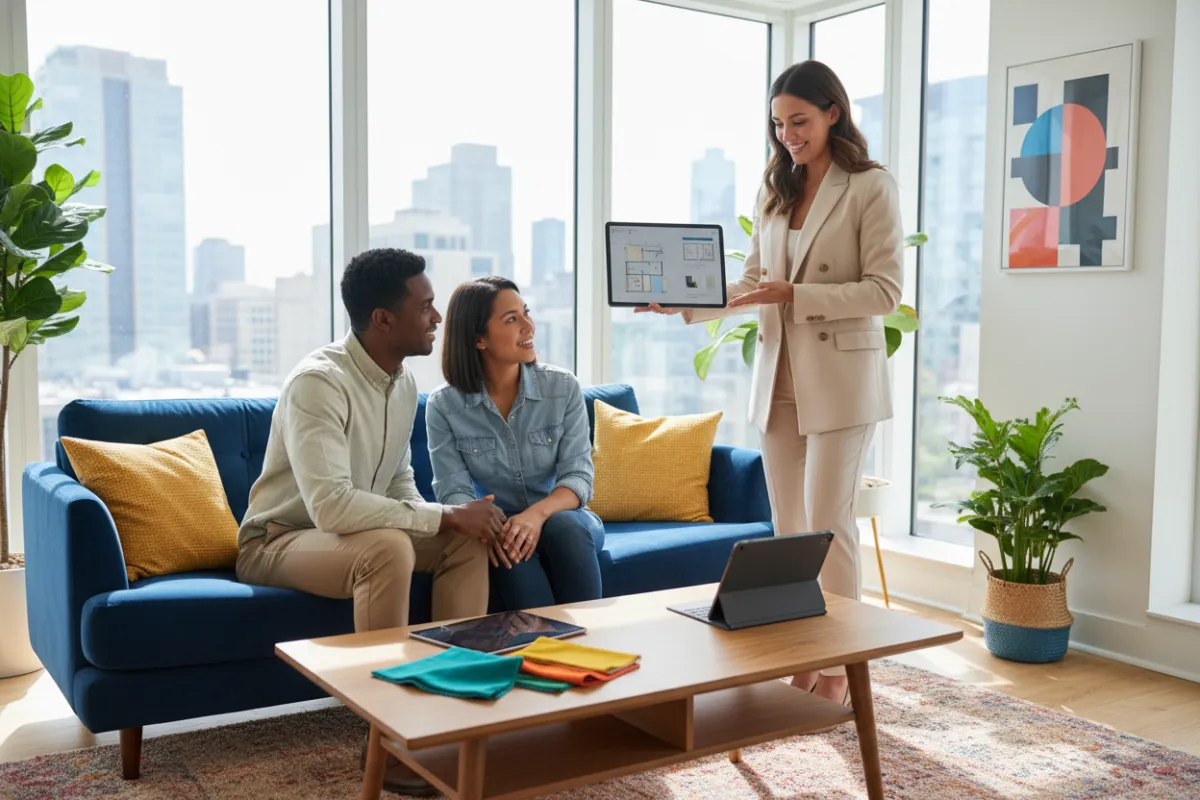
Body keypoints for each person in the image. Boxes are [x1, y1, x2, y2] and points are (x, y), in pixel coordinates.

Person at [637, 60, 904, 707]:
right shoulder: (775, 188)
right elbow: (755, 280)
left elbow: (886, 291)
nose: (788, 135)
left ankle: (842, 665)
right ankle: (804, 654)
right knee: (788, 531)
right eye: (779, 124)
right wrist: (689, 304)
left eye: (800, 121)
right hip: (780, 378)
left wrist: (799, 294)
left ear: (833, 112)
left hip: (841, 379)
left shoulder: (870, 186)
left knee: (829, 523)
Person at [236, 248, 504, 797]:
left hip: (351, 535)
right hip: (278, 541)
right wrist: (446, 512)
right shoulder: (319, 383)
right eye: (426, 306)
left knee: (464, 543)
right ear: (383, 319)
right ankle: (387, 738)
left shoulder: (401, 382)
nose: (437, 318)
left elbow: (399, 481)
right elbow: (331, 508)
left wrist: (452, 522)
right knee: (388, 548)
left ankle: (450, 721)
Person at [425, 276, 604, 610]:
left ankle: (590, 642)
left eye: (526, 313)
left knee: (564, 527)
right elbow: (453, 491)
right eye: (512, 319)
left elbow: (578, 477)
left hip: (565, 518)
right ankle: (546, 653)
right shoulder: (444, 406)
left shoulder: (562, 387)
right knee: (511, 550)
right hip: (500, 528)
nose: (529, 326)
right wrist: (490, 528)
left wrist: (535, 516)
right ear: (479, 339)